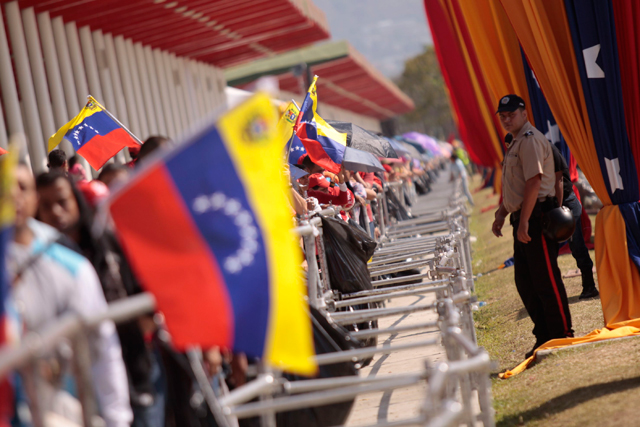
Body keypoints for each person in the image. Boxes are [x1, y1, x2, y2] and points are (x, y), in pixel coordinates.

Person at [9, 164, 132, 427]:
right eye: (4, 185)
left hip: (67, 410)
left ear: (34, 200)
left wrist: (117, 418)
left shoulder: (71, 266)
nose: (12, 195)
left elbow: (103, 346)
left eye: (22, 187)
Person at [35, 171, 160, 426]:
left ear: (77, 201)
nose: (56, 212)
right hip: (82, 389)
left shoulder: (109, 243)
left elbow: (141, 292)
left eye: (62, 202)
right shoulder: (40, 265)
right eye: (46, 206)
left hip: (136, 369)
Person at [491, 94, 573, 358]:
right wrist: (503, 213)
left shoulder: (529, 140)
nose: (506, 119)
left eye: (511, 114)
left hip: (536, 217)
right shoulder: (516, 142)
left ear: (524, 113)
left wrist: (524, 220)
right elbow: (516, 188)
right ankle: (544, 334)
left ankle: (561, 333)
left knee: (545, 279)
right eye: (503, 116)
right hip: (524, 217)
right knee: (525, 281)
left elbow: (534, 182)